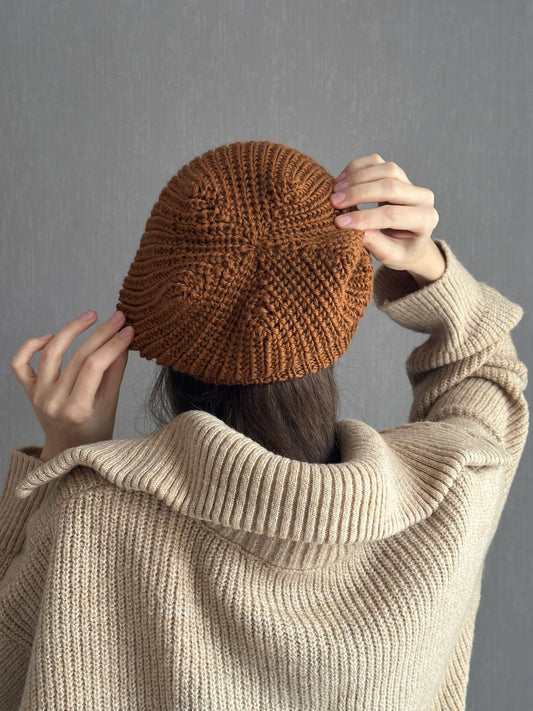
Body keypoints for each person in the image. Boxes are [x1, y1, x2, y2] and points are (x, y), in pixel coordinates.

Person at [1, 142, 528, 711]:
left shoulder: (88, 525)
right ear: (334, 308)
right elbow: (489, 370)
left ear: (162, 319)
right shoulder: (451, 491)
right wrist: (427, 267)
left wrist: (65, 457)